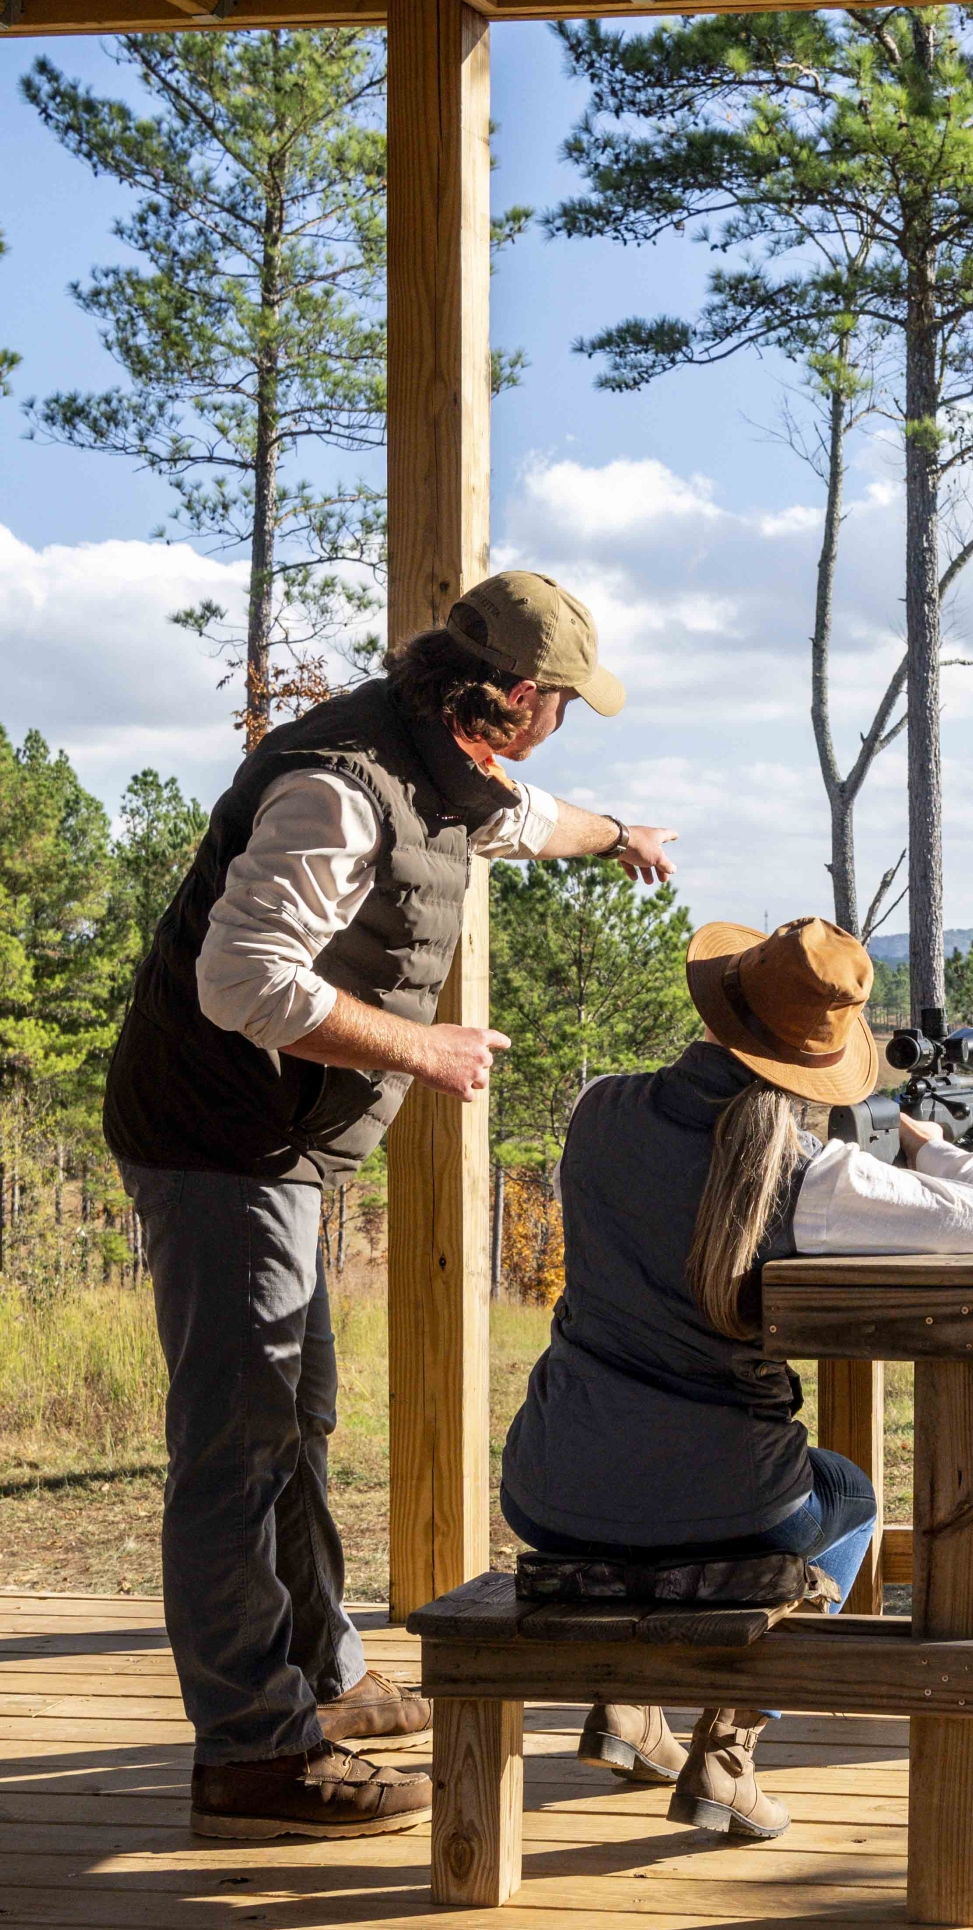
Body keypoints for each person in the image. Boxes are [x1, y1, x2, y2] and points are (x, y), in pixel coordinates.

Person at [105, 571, 678, 1843]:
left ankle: (322, 1677)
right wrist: (425, 1051)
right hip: (218, 1138)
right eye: (568, 703)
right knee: (236, 1448)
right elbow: (241, 979)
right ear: (518, 697)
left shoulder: (437, 761)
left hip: (276, 1144)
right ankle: (255, 1750)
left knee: (292, 1419)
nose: (566, 725)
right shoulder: (339, 786)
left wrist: (623, 831)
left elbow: (532, 821)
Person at [502, 913, 973, 1843]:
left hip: (546, 1486)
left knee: (662, 1496)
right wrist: (928, 1146)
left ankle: (630, 1710)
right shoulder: (809, 1174)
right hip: (726, 1500)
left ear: (718, 1009)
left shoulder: (596, 1111)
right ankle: (726, 1752)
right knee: (849, 1495)